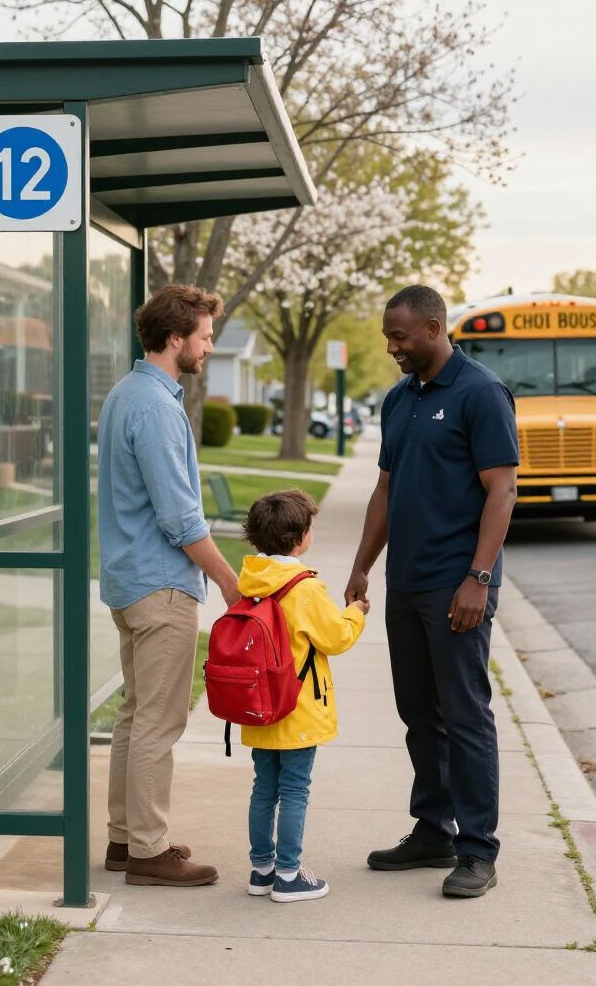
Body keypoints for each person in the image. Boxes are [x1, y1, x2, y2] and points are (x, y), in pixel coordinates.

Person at [344, 284, 518, 899]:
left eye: (400, 336)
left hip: (456, 583)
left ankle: (477, 850)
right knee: (419, 712)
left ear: (435, 327)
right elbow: (387, 489)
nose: (392, 347)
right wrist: (363, 564)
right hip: (406, 582)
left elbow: (502, 490)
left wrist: (479, 578)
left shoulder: (480, 393)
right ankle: (433, 829)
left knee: (465, 715)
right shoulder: (400, 399)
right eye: (388, 337)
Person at [98, 283, 242, 888]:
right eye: (205, 336)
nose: (210, 346)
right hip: (160, 587)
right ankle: (149, 853)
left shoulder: (127, 394)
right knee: (158, 721)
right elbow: (181, 519)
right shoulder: (156, 407)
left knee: (137, 716)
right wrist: (233, 585)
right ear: (176, 337)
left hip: (131, 583)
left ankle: (126, 840)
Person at [236, 489, 368, 902]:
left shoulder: (251, 581)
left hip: (260, 706)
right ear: (301, 537)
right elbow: (336, 637)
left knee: (264, 788)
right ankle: (290, 875)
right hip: (297, 707)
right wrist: (356, 613)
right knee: (295, 790)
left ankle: (262, 870)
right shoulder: (304, 588)